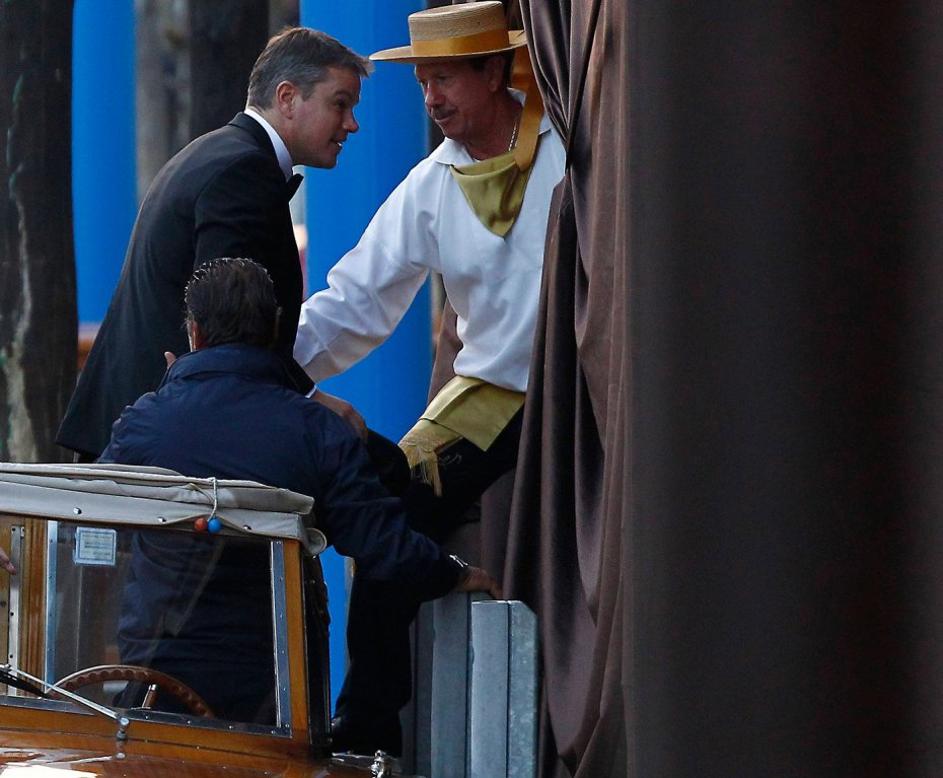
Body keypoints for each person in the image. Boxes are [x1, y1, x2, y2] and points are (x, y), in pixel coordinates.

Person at [291, 1, 566, 752]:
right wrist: (264, 368)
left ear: (495, 72)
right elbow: (354, 301)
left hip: (581, 385)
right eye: (422, 83)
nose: (431, 99)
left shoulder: (571, 148)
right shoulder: (430, 184)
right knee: (384, 510)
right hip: (492, 394)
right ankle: (368, 729)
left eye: (445, 78)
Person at [98, 258, 500, 731]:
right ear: (275, 329)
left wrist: (168, 394)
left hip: (155, 676)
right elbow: (385, 548)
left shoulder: (144, 423)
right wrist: (455, 573)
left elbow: (97, 521)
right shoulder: (317, 432)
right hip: (272, 688)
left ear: (194, 333)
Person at [57, 26, 369, 461]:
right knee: (383, 473)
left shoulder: (217, 153)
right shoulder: (242, 171)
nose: (352, 124)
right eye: (340, 103)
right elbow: (228, 329)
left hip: (140, 429)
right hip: (160, 447)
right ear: (287, 97)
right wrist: (312, 399)